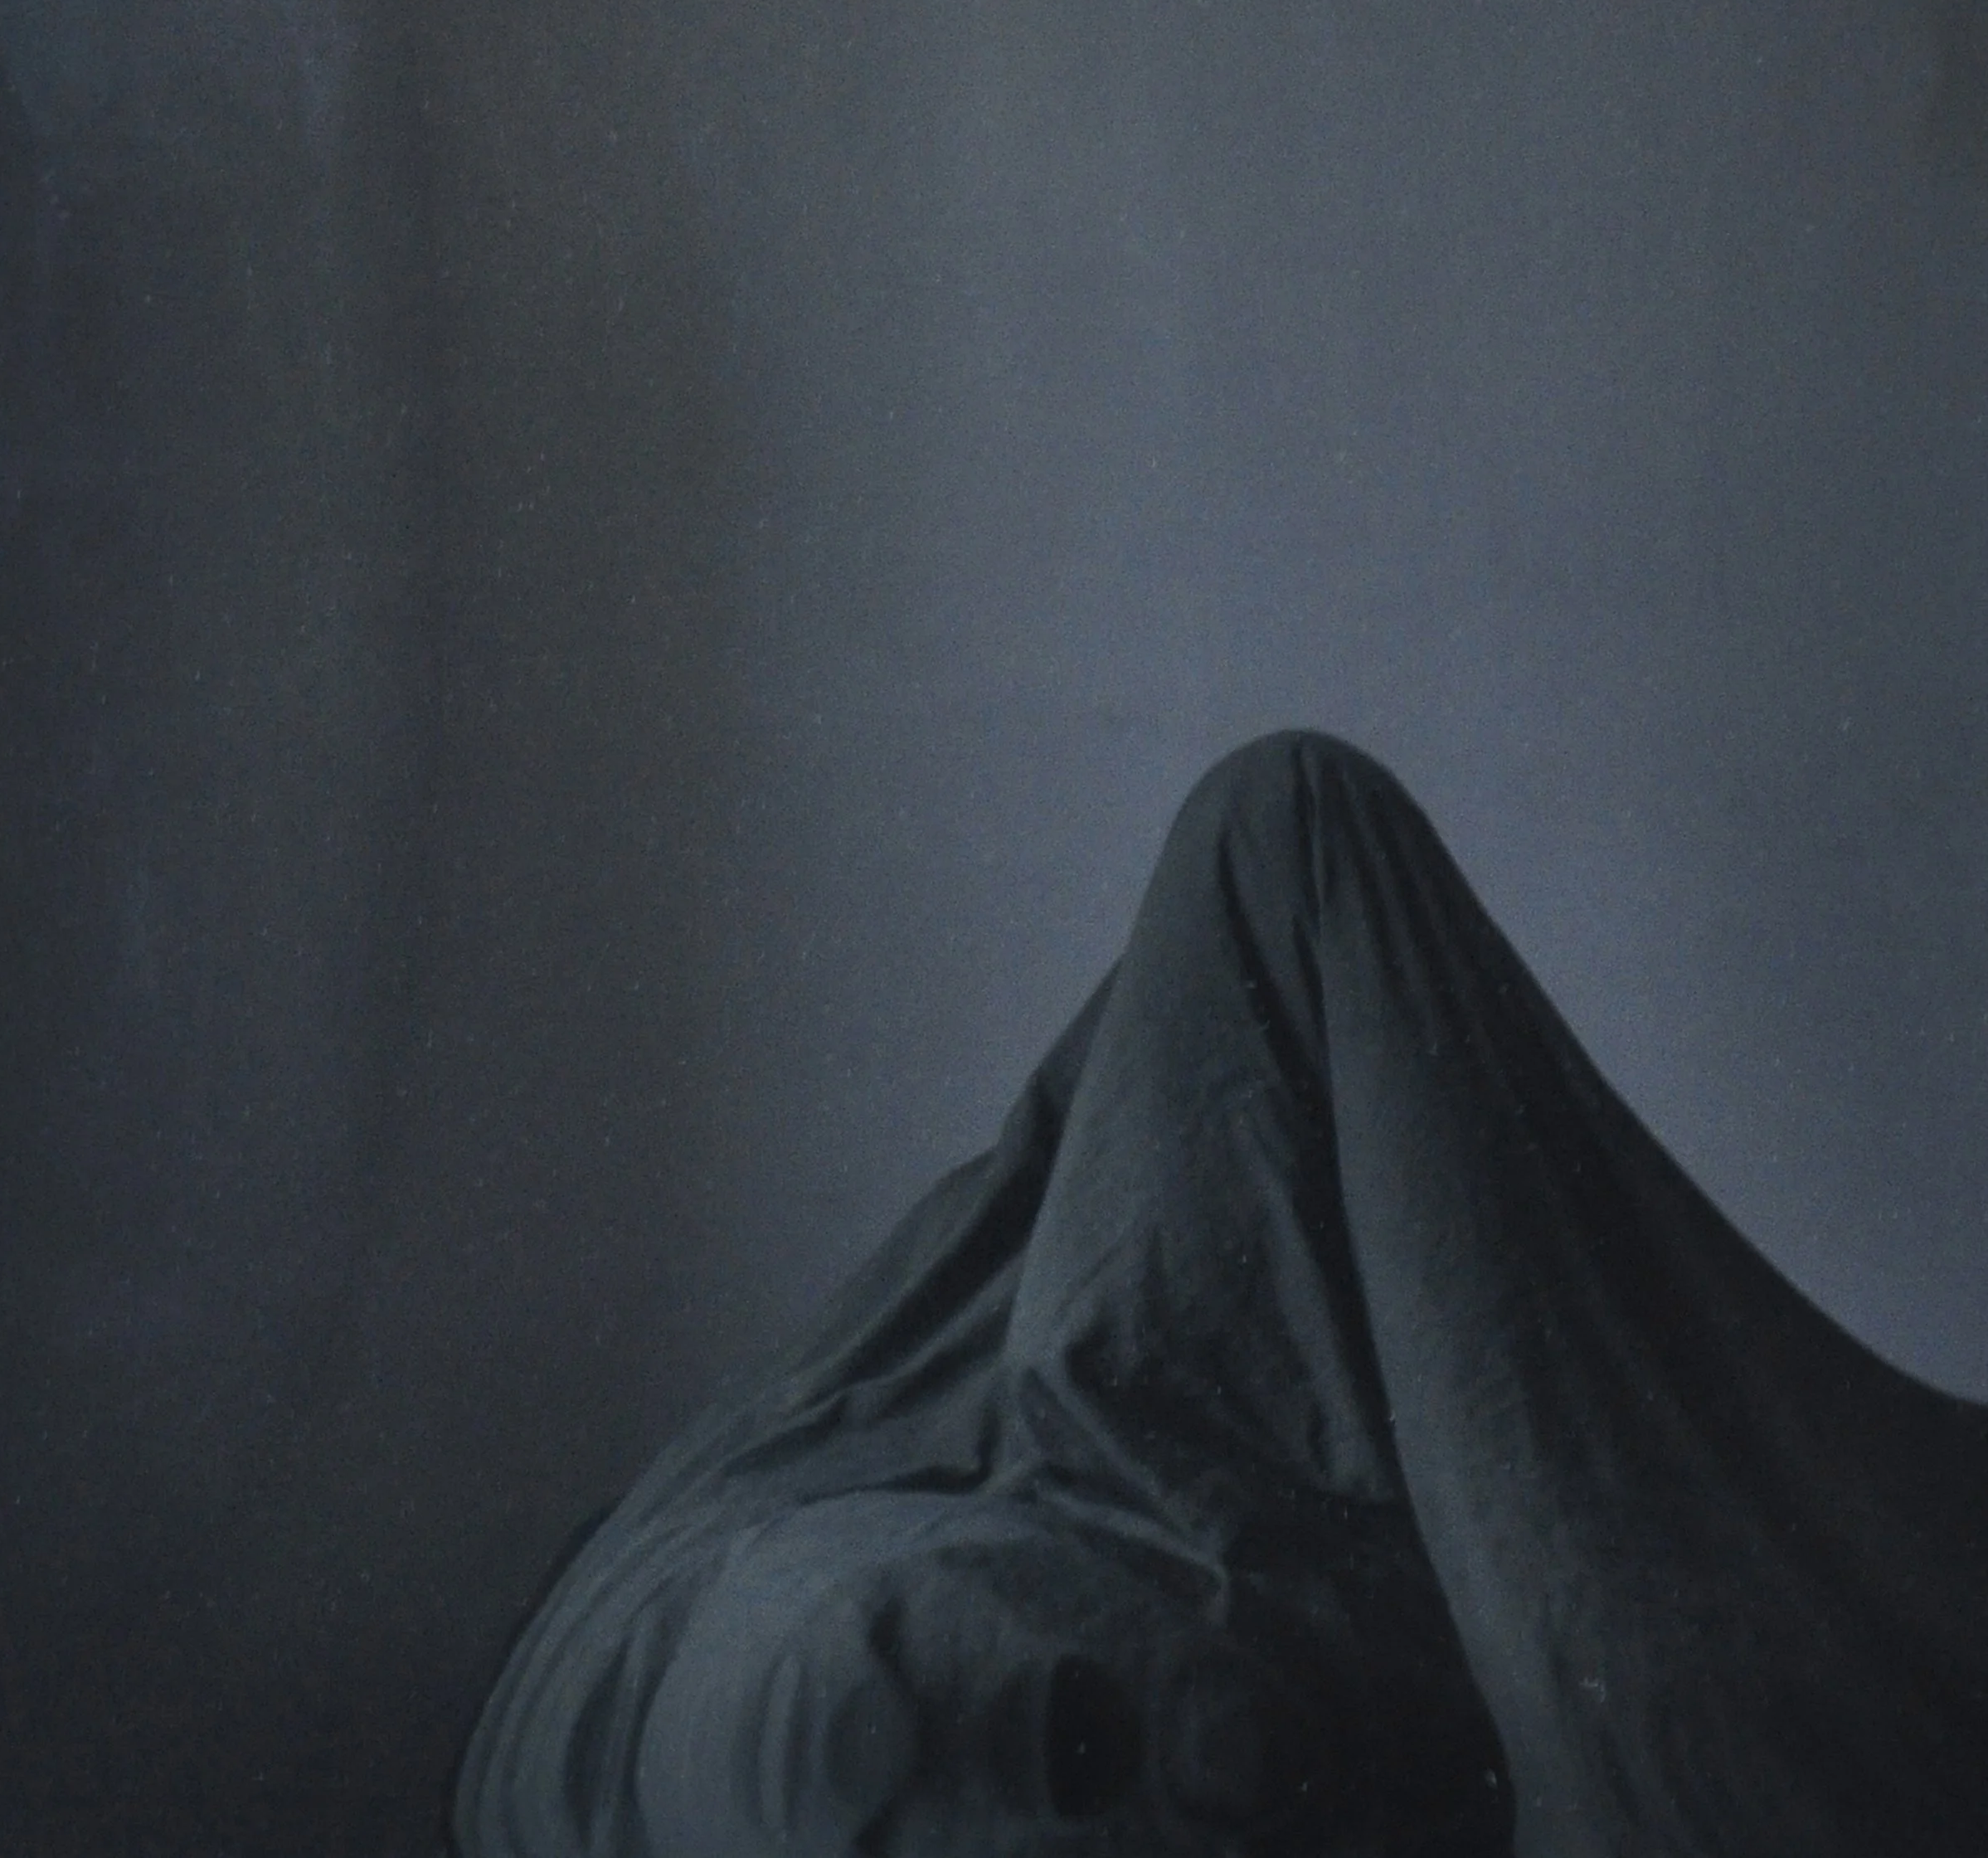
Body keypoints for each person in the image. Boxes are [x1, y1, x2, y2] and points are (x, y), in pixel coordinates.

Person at [453, 734, 1988, 1856]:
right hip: (821, 1656)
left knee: (1282, 844)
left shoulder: (1032, 1456)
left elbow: (1277, 857)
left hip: (884, 1592)